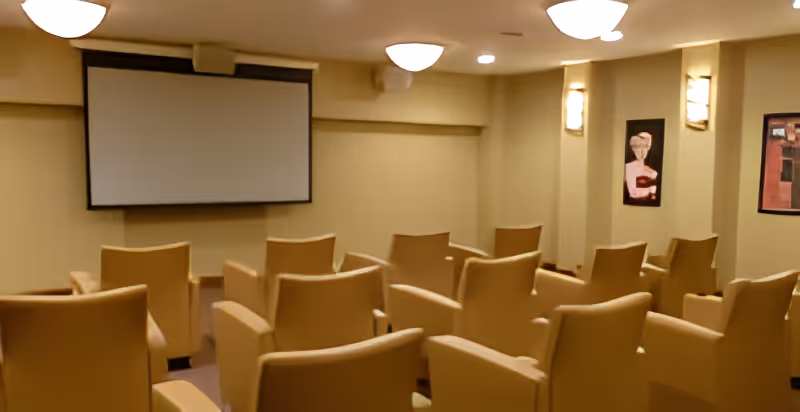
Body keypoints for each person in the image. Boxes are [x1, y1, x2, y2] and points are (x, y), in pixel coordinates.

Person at [625, 132, 658, 201]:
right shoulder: (629, 167)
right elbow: (633, 193)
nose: (642, 150)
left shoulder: (652, 171)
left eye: (646, 146)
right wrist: (649, 191)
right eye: (637, 146)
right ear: (633, 148)